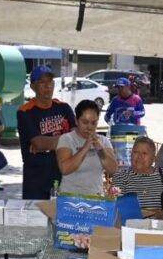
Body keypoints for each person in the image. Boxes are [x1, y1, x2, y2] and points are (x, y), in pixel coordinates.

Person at [16, 65, 75, 199]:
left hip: (64, 173)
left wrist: (49, 144)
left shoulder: (64, 108)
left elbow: (78, 137)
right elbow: (39, 143)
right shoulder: (25, 112)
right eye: (42, 82)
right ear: (33, 86)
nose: (47, 86)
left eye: (50, 82)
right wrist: (68, 139)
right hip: (37, 178)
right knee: (36, 211)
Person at [56, 99, 118, 196]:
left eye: (93, 123)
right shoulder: (66, 139)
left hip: (96, 197)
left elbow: (113, 169)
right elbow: (65, 169)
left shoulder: (103, 141)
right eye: (85, 122)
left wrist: (99, 147)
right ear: (76, 121)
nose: (89, 127)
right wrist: (85, 147)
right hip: (70, 198)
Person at [111, 136, 163, 212]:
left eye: (144, 153)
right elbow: (114, 206)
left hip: (160, 220)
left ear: (153, 158)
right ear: (131, 155)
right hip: (130, 220)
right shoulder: (120, 176)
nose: (139, 157)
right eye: (135, 152)